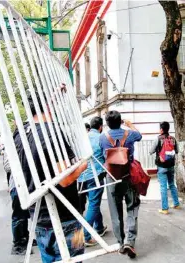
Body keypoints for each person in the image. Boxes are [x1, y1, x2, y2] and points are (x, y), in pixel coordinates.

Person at [14, 90, 88, 263]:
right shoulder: (53, 133)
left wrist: (52, 95)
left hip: (39, 214)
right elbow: (65, 179)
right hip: (66, 216)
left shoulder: (21, 133)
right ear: (48, 107)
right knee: (75, 258)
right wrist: (82, 165)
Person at [99, 111, 142, 259]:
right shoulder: (130, 134)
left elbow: (101, 154)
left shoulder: (102, 137)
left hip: (112, 178)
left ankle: (120, 243)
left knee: (115, 211)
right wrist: (129, 124)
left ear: (107, 123)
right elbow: (140, 136)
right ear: (120, 121)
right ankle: (130, 240)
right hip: (128, 176)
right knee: (132, 207)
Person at [78, 117, 107, 247]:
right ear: (100, 126)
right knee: (94, 204)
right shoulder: (101, 138)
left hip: (80, 176)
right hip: (95, 176)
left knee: (93, 203)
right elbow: (107, 156)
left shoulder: (82, 138)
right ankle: (85, 235)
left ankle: (99, 227)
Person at [3, 150, 32, 255]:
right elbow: (7, 166)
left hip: (28, 185)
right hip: (17, 186)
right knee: (18, 216)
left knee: (24, 214)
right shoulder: (10, 145)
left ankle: (25, 238)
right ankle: (17, 244)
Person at [150, 121, 180, 214]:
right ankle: (176, 203)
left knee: (163, 186)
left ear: (161, 129)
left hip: (162, 166)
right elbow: (177, 151)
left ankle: (165, 208)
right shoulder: (173, 139)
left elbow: (151, 151)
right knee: (171, 184)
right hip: (171, 165)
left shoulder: (158, 139)